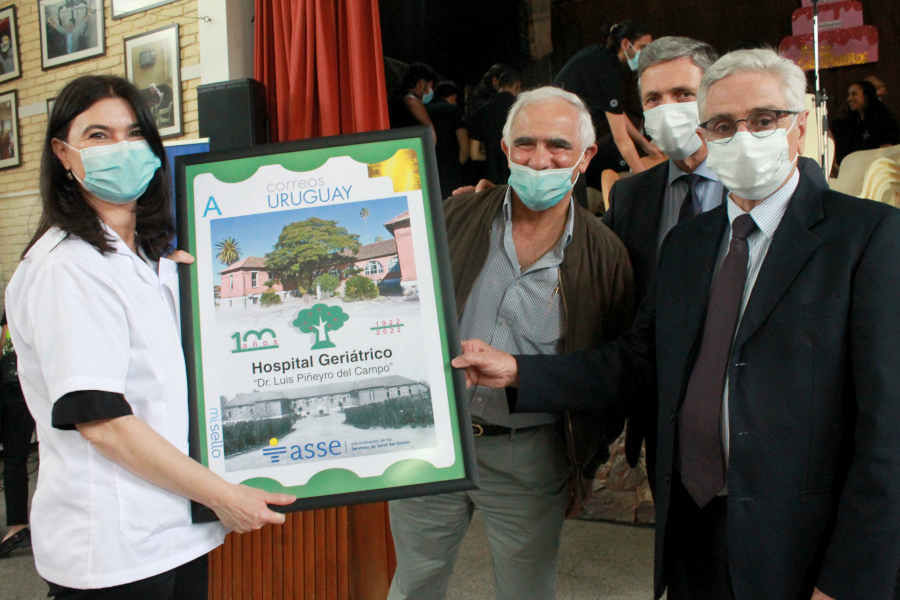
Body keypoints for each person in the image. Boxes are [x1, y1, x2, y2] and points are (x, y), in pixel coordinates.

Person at [453, 49, 900, 600]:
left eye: (762, 120)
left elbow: (889, 431)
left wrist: (852, 580)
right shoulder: (689, 244)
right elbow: (637, 361)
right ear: (705, 135)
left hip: (800, 544)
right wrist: (517, 370)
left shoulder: (870, 237)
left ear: (799, 125)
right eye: (722, 125)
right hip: (691, 528)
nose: (742, 136)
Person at [4, 74, 295, 598]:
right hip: (114, 546)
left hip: (173, 530)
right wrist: (222, 494)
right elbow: (104, 423)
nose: (122, 148)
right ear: (62, 154)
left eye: (133, 133)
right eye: (98, 135)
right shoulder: (68, 267)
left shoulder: (143, 260)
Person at [388, 87, 636, 600]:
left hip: (528, 455)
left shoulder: (607, 257)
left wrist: (583, 465)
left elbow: (610, 376)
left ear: (586, 156)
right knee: (415, 582)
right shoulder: (451, 218)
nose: (539, 159)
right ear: (504, 150)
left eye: (558, 146)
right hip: (436, 445)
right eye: (525, 144)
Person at [554, 19, 661, 179]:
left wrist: (643, 143)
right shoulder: (606, 71)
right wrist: (645, 178)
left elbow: (616, 112)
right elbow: (622, 141)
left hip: (567, 138)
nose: (645, 54)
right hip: (561, 143)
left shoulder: (602, 56)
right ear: (626, 44)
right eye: (642, 48)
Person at [0, 311, 36, 558]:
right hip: (22, 390)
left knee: (14, 459)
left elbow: (5, 345)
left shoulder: (15, 301)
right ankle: (17, 526)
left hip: (12, 389)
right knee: (15, 459)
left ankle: (18, 526)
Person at [469, 69, 520, 186]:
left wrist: (494, 156)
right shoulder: (521, 109)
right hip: (518, 175)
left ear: (498, 84)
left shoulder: (480, 112)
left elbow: (474, 153)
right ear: (517, 86)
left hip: (492, 177)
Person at [831, 79, 900, 166]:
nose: (849, 98)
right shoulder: (854, 122)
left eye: (854, 94)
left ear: (866, 96)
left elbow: (887, 150)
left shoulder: (882, 119)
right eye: (849, 95)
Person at [426, 81, 468, 198]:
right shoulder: (454, 110)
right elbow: (464, 148)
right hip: (451, 172)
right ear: (454, 96)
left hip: (430, 170)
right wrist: (458, 167)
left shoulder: (425, 111)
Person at [389, 62, 436, 140]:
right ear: (422, 83)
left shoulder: (397, 98)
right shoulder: (411, 99)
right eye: (431, 86)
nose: (432, 91)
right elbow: (411, 101)